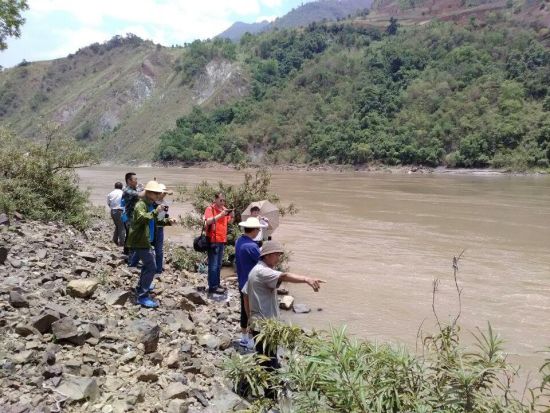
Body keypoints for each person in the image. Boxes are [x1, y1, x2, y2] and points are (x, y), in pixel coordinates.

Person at [242, 241, 325, 372]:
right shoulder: (263, 272)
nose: (279, 258)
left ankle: (264, 387)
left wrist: (250, 319)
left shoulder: (255, 270)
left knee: (265, 359)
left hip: (257, 324)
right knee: (269, 362)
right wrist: (306, 279)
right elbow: (284, 276)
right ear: (268, 255)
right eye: (277, 255)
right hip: (266, 326)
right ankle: (269, 391)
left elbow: (245, 295)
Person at [126, 181, 175, 308]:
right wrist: (156, 211)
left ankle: (141, 287)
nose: (159, 195)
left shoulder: (150, 205)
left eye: (159, 193)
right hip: (140, 240)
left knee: (148, 266)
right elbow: (142, 218)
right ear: (149, 193)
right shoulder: (140, 205)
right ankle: (142, 296)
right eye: (157, 193)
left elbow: (158, 221)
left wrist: (169, 222)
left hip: (146, 240)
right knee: (152, 267)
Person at [235, 217, 263, 348]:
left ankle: (244, 337)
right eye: (258, 229)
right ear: (254, 230)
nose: (259, 231)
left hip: (242, 281)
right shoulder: (252, 246)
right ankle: (253, 339)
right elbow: (263, 262)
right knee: (253, 312)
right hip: (251, 284)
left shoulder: (239, 241)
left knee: (244, 310)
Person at [203, 192, 234, 295]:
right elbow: (208, 221)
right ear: (215, 199)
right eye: (220, 200)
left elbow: (228, 222)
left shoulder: (224, 209)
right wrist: (221, 215)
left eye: (224, 200)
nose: (222, 202)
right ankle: (212, 287)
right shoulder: (210, 209)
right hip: (213, 240)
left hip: (222, 240)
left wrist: (232, 216)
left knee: (219, 264)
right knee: (213, 264)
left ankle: (217, 283)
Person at [122, 172, 144, 256]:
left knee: (129, 235)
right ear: (129, 181)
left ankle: (127, 253)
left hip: (134, 217)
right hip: (129, 217)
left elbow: (140, 191)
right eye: (135, 179)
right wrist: (149, 188)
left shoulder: (134, 188)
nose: (137, 181)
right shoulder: (127, 190)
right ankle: (131, 258)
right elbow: (141, 195)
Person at [154, 183, 173, 275]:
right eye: (163, 192)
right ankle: (133, 264)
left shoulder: (165, 204)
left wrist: (169, 220)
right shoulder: (152, 202)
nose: (164, 194)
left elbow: (163, 217)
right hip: (151, 227)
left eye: (165, 193)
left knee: (159, 249)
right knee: (146, 247)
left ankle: (158, 269)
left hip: (160, 227)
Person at [107, 182, 125, 246]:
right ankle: (122, 243)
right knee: (122, 227)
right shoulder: (123, 193)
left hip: (113, 211)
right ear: (122, 187)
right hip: (120, 211)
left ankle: (115, 239)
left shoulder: (110, 193)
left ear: (115, 186)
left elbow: (108, 203)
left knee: (118, 225)